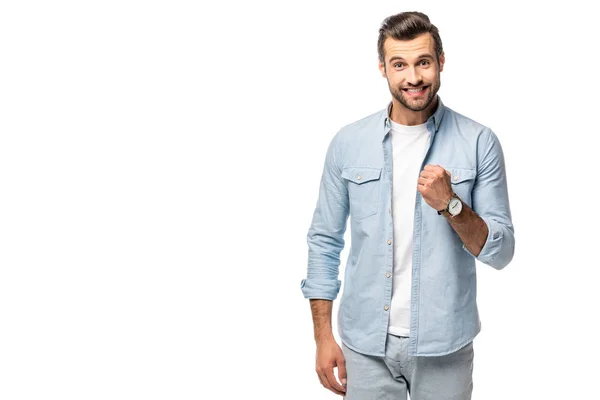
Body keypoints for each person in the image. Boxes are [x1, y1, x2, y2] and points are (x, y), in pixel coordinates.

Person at [300, 11, 515, 400]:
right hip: (365, 348)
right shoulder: (348, 143)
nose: (413, 77)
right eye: (399, 64)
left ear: (441, 63)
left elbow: (500, 252)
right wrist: (322, 337)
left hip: (444, 347)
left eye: (423, 62)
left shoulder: (478, 141)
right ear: (382, 68)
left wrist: (451, 204)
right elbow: (324, 241)